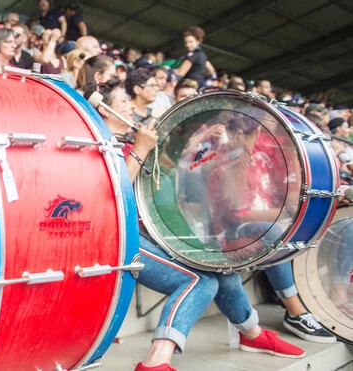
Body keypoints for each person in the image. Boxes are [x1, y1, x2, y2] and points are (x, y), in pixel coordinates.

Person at [94, 80, 308, 371]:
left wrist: (197, 145)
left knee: (218, 265)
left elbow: (179, 172)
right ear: (104, 111)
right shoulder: (99, 143)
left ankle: (252, 334)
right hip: (119, 235)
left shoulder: (133, 140)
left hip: (151, 230)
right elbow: (112, 198)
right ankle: (156, 362)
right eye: (123, 103)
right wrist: (141, 150)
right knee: (199, 281)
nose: (131, 106)